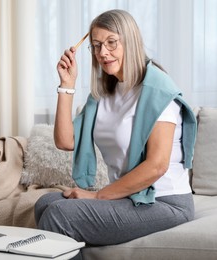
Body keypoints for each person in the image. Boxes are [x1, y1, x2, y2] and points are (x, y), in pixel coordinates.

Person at [34, 9, 197, 249]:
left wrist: (98, 196)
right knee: (45, 203)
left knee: (59, 214)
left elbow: (157, 165)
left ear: (129, 42)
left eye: (112, 43)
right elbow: (66, 141)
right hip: (129, 198)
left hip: (164, 202)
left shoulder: (158, 91)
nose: (103, 53)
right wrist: (66, 85)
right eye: (97, 45)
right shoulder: (103, 94)